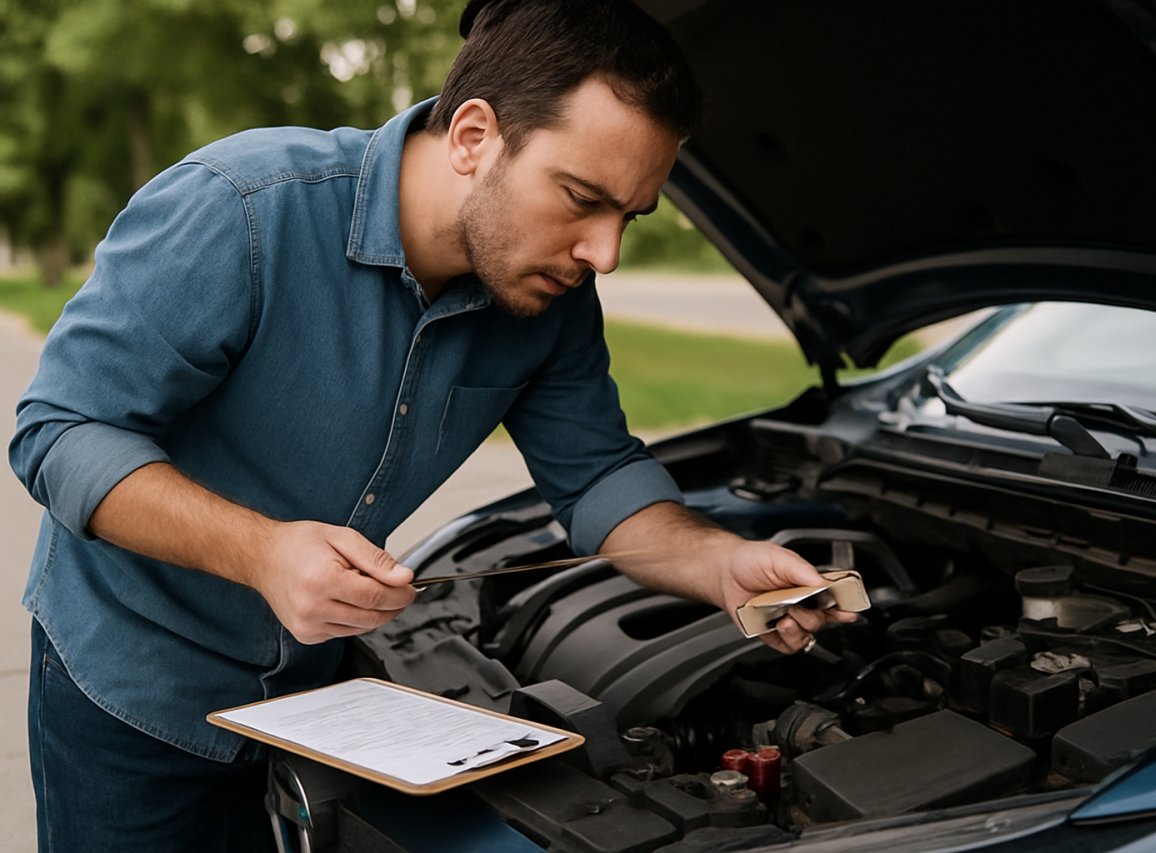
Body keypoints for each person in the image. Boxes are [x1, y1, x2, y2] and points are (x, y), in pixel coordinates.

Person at [8, 0, 854, 849]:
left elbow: (598, 476)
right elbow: (60, 429)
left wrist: (720, 563)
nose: (605, 253)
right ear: (474, 136)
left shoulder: (553, 300)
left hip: (313, 707)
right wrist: (262, 553)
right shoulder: (244, 209)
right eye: (581, 199)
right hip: (129, 692)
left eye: (628, 216)